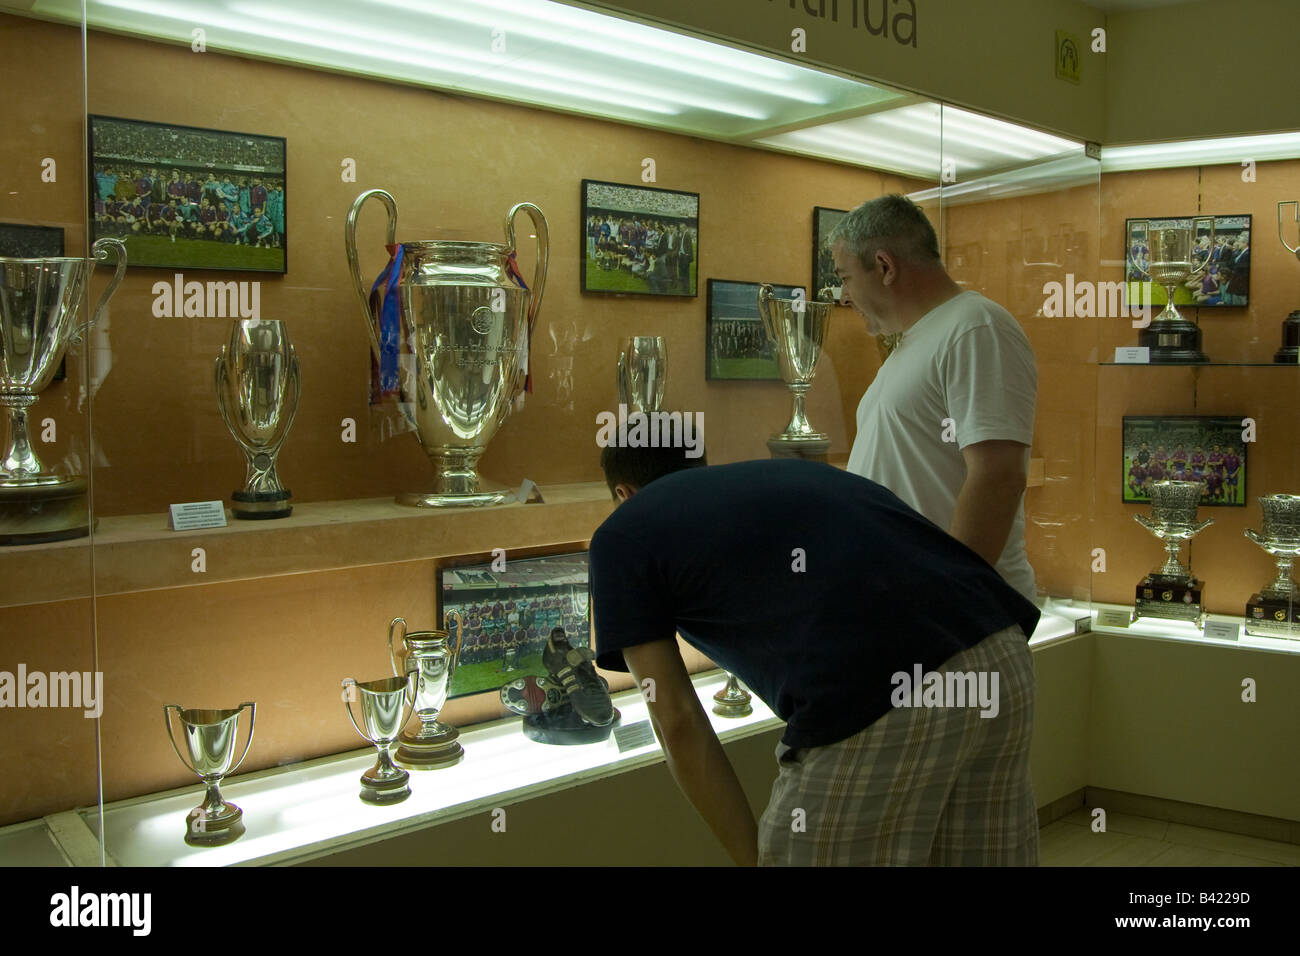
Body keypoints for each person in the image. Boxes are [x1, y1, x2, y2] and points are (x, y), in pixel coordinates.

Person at [589, 442, 1041, 867]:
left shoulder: (621, 533)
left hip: (884, 693)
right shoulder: (780, 474)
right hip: (999, 648)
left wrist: (756, 858)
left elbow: (678, 722)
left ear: (623, 493)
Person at [830, 195, 1038, 601]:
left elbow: (997, 476)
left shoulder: (976, 327)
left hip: (960, 618)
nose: (843, 294)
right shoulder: (916, 341)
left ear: (886, 267)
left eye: (846, 277)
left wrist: (946, 598)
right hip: (911, 606)